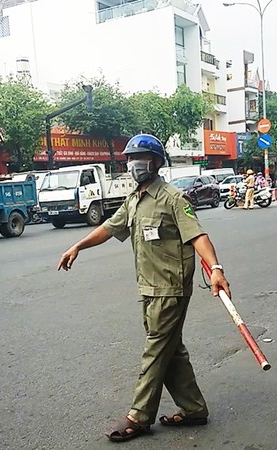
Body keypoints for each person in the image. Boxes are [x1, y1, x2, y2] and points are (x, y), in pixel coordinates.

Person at [57, 134, 230, 443]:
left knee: (155, 349)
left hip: (170, 288)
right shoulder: (135, 200)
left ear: (156, 163)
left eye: (140, 159)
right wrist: (77, 246)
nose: (133, 165)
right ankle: (194, 410)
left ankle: (139, 416)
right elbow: (110, 228)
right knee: (170, 350)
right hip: (149, 288)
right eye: (130, 160)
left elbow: (198, 236)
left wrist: (216, 269)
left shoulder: (173, 198)